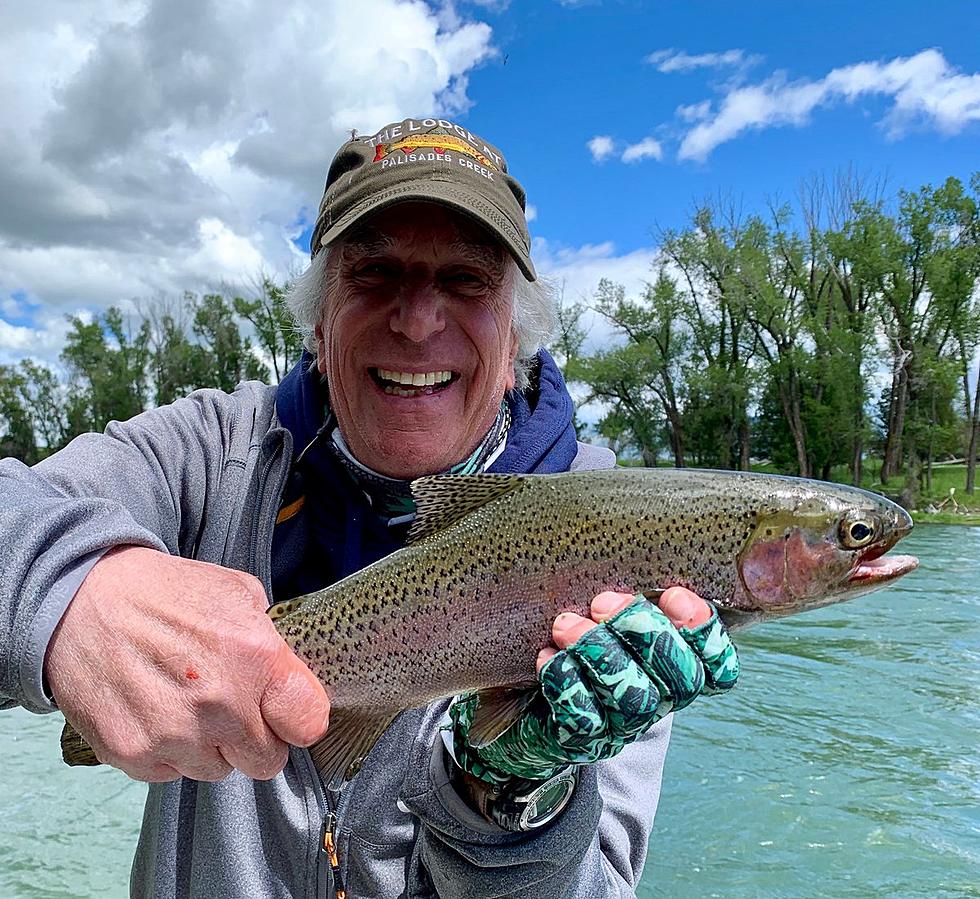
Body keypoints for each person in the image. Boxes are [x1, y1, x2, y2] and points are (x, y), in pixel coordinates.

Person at [0, 117, 738, 898]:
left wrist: (512, 792)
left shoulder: (624, 531)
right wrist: (73, 590)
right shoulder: (212, 453)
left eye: (465, 279)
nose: (418, 321)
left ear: (517, 328)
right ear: (319, 319)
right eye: (376, 273)